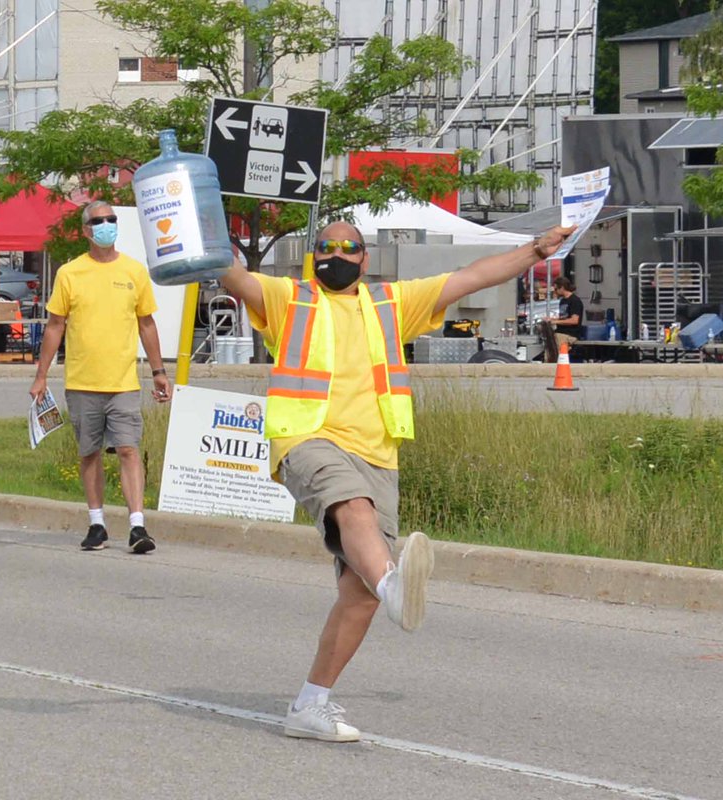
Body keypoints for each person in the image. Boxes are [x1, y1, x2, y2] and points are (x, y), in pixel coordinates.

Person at [220, 220, 575, 743]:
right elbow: (233, 277)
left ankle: (310, 704)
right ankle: (396, 587)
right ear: (312, 256)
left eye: (347, 248)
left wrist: (533, 251)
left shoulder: (391, 303)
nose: (335, 254)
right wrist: (199, 235)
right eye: (325, 247)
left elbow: (472, 276)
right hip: (307, 438)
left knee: (358, 594)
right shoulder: (287, 298)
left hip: (377, 453)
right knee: (353, 508)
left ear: (366, 259)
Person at [29, 200, 171, 554]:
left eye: (111, 219)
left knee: (127, 449)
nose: (106, 225)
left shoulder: (134, 271)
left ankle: (138, 526)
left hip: (123, 382)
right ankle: (97, 523)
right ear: (86, 230)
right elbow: (55, 326)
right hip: (82, 382)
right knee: (89, 452)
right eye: (98, 221)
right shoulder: (70, 273)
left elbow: (146, 323)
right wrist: (41, 375)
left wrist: (158, 372)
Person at [541, 276, 585, 361]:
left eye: (556, 289)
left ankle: (553, 363)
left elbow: (574, 320)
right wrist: (552, 319)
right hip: (560, 332)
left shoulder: (575, 301)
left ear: (562, 288)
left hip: (570, 333)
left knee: (555, 348)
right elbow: (564, 317)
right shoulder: (563, 301)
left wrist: (555, 322)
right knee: (550, 343)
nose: (555, 291)